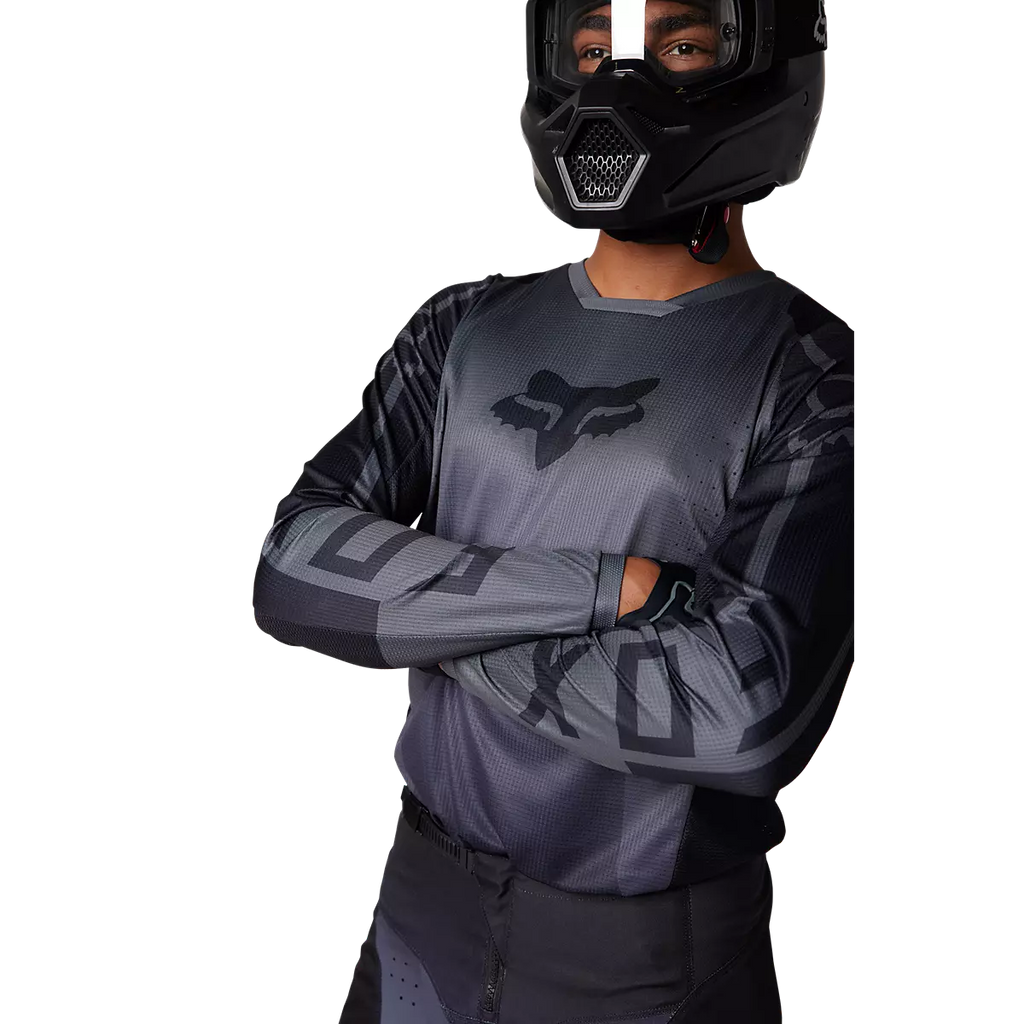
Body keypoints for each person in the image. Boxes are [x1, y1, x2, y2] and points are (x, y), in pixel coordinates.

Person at [250, 1, 853, 1020]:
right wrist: (603, 588)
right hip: (423, 903)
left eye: (680, 45)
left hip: (643, 955)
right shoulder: (458, 324)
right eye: (591, 49)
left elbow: (744, 718)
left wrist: (422, 623)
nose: (617, 84)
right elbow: (292, 568)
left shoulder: (818, 377)